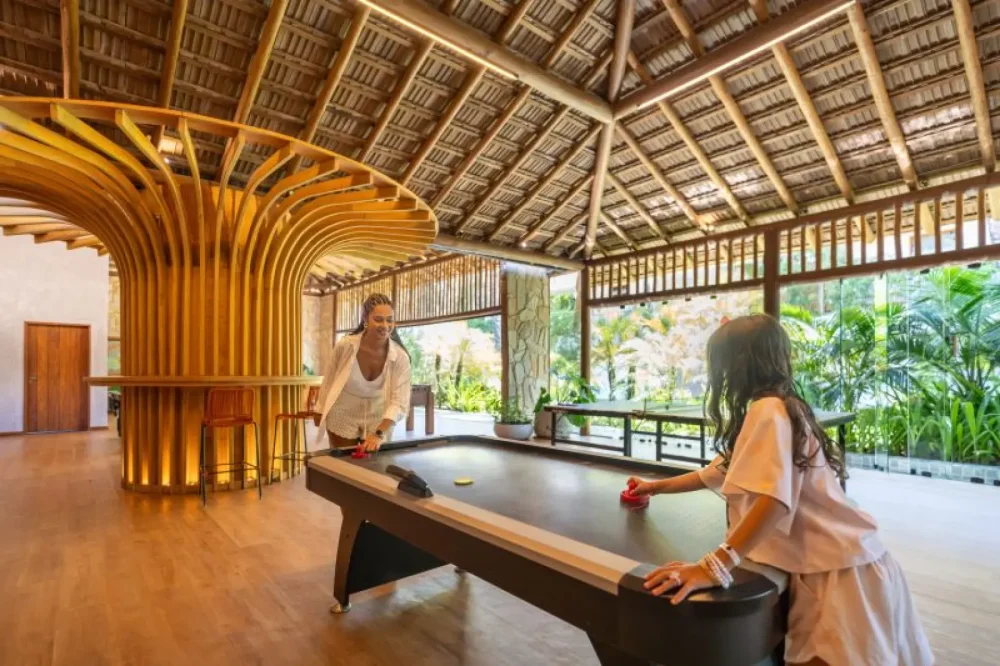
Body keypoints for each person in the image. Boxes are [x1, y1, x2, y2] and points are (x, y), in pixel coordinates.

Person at [627, 314, 933, 666]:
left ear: (736, 365)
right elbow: (715, 472)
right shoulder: (780, 407)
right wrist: (653, 487)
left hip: (841, 577)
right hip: (844, 566)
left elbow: (773, 501)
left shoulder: (767, 412)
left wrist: (714, 567)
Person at [313, 293, 412, 452]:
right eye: (378, 319)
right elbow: (329, 381)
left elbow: (399, 402)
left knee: (374, 464)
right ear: (365, 318)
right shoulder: (345, 346)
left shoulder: (400, 357)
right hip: (343, 411)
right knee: (344, 462)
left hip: (378, 413)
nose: (385, 325)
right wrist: (319, 410)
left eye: (389, 320)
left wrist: (379, 433)